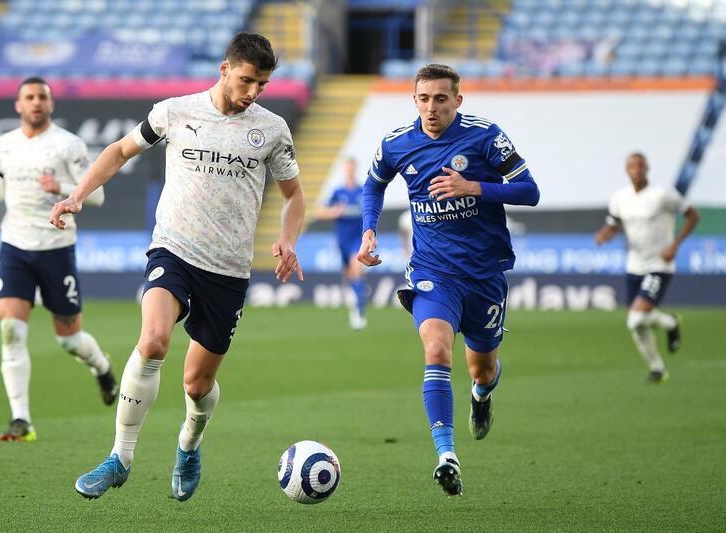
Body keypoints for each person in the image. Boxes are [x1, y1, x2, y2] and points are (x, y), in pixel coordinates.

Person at [49, 32, 305, 501]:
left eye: (263, 85)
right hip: (173, 250)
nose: (253, 93)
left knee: (198, 383)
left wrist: (287, 240)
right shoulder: (175, 111)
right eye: (247, 80)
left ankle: (189, 443)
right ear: (225, 69)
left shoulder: (271, 129)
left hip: (228, 270)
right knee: (153, 340)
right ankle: (120, 457)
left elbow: (294, 197)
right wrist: (77, 195)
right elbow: (119, 151)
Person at [357, 64, 539, 496]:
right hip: (432, 271)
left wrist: (474, 187)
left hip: (484, 273)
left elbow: (529, 190)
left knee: (482, 366)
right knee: (437, 350)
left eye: (441, 98)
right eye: (423, 98)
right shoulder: (397, 143)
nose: (431, 107)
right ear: (414, 100)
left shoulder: (485, 136)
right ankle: (446, 454)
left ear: (458, 100)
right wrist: (369, 229)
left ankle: (482, 394)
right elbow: (373, 185)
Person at [0, 77, 117, 443]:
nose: (36, 102)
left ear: (50, 105)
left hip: (56, 248)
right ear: (18, 105)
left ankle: (102, 368)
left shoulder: (68, 145)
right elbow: (4, 181)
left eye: (42, 97)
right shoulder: (4, 145)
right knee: (10, 331)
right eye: (29, 97)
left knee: (69, 339)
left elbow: (96, 198)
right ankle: (21, 420)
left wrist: (63, 189)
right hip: (15, 246)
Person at [595, 152, 699, 383]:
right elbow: (613, 224)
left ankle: (670, 324)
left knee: (636, 319)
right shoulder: (620, 197)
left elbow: (692, 216)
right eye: (632, 166)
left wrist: (674, 245)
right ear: (626, 170)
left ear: (647, 168)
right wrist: (605, 234)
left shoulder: (663, 194)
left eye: (640, 165)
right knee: (638, 323)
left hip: (659, 264)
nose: (637, 170)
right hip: (634, 265)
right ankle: (658, 368)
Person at [315, 157, 367, 329]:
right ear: (345, 171)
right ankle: (355, 303)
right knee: (349, 276)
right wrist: (334, 212)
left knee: (357, 270)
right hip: (342, 240)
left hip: (357, 241)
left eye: (352, 168)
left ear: (355, 170)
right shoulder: (338, 192)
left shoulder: (362, 191)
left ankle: (359, 314)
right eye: (347, 168)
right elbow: (319, 211)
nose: (350, 171)